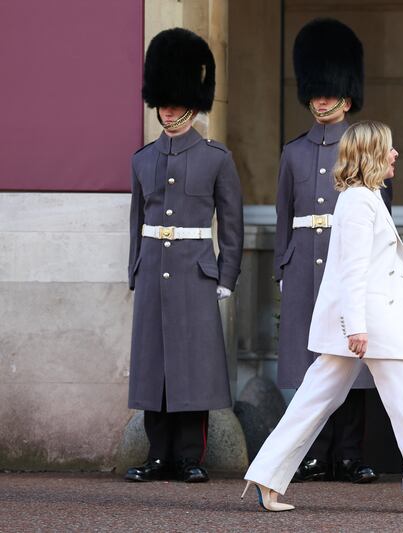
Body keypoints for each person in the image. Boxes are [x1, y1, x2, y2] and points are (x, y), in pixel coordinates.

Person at [242, 121, 403, 513]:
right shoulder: (358, 201)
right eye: (389, 148)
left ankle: (266, 477)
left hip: (374, 319)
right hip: (368, 326)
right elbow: (351, 270)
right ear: (370, 155)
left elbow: (379, 269)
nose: (396, 154)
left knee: (319, 401)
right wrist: (357, 327)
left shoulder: (364, 198)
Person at [125, 28, 244, 483]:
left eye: (176, 103)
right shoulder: (143, 159)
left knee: (193, 365)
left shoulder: (217, 158)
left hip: (196, 271)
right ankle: (159, 455)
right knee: (154, 364)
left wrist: (226, 276)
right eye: (164, 103)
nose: (168, 110)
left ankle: (191, 456)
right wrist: (135, 269)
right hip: (154, 268)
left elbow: (231, 224)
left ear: (193, 104)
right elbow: (137, 220)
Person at [274, 18, 390, 485]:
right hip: (305, 263)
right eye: (316, 92)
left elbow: (382, 220)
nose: (321, 100)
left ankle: (349, 453)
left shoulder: (365, 148)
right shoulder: (293, 152)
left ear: (346, 93)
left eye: (329, 92)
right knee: (311, 363)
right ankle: (315, 453)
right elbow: (285, 214)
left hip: (348, 264)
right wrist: (284, 265)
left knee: (353, 362)